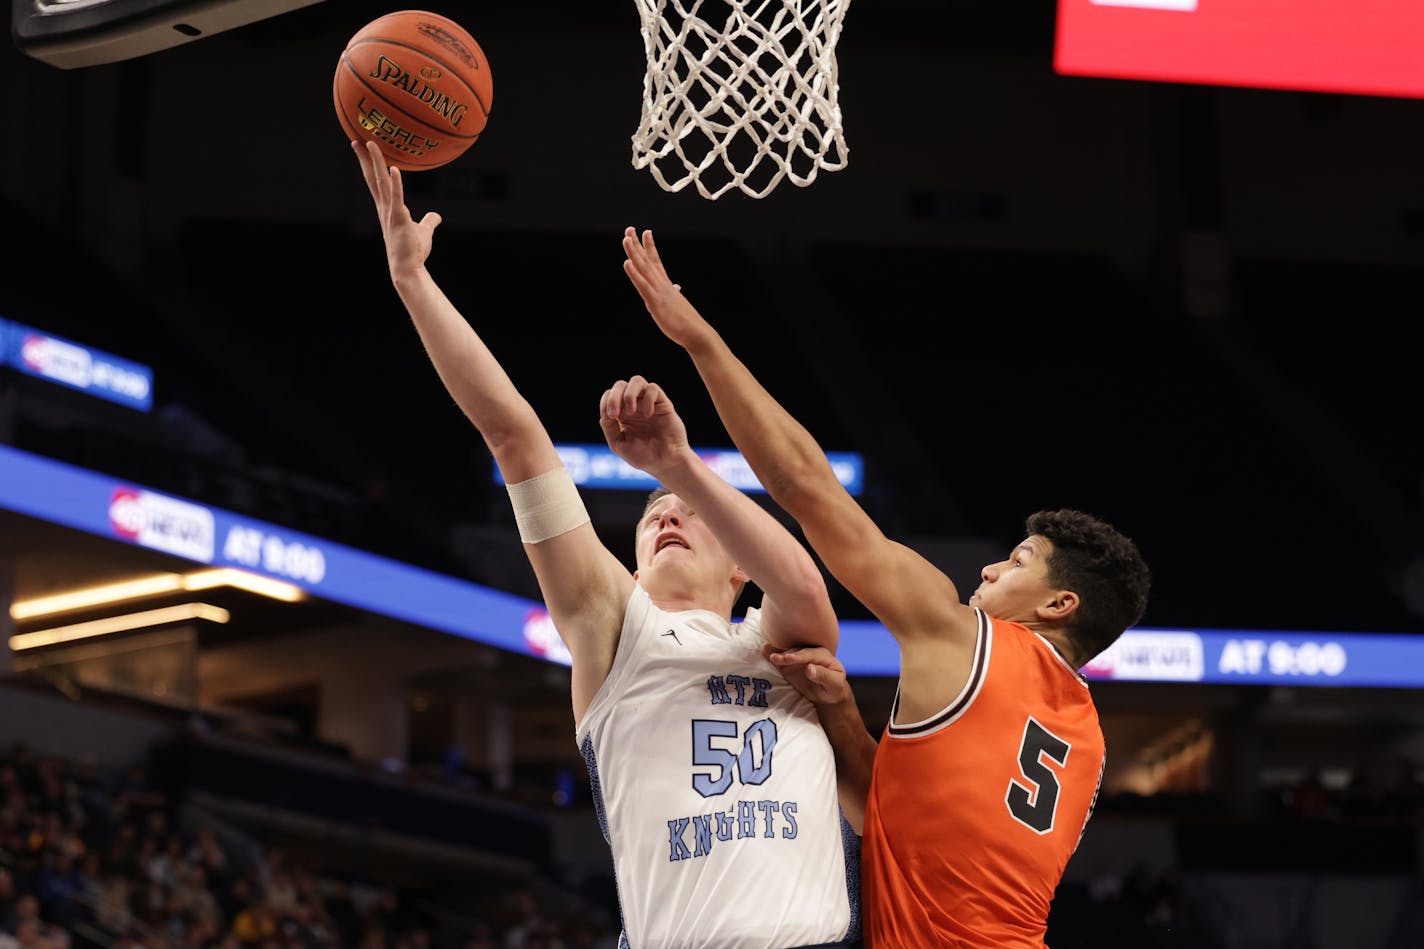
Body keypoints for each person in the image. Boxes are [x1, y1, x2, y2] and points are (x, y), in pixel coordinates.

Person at [351, 141, 860, 949]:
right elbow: (515, 436)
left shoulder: (785, 644)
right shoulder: (618, 629)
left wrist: (679, 466)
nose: (665, 517)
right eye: (651, 515)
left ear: (738, 563)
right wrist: (414, 281)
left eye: (685, 514)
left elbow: (801, 581)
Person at [621, 225, 1152, 948]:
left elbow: (804, 487)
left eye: (1019, 561)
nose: (991, 569)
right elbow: (899, 824)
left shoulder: (967, 637)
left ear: (1061, 604)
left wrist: (701, 341)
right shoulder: (1084, 738)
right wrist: (839, 712)